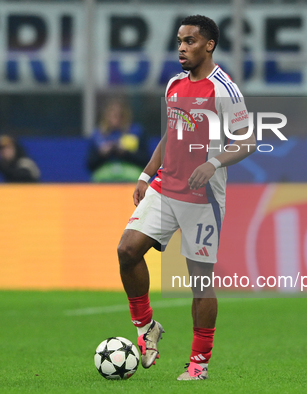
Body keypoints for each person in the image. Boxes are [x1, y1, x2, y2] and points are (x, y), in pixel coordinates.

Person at [116, 15, 256, 381]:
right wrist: (147, 174)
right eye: (179, 40)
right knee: (127, 250)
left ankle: (199, 362)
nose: (181, 47)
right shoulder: (175, 84)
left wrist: (214, 162)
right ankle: (146, 326)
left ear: (209, 45)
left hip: (202, 197)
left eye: (190, 41)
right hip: (166, 186)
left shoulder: (223, 89)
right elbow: (169, 135)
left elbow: (247, 141)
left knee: (200, 281)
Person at [87, 99, 148, 182]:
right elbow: (90, 164)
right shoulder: (98, 135)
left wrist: (126, 153)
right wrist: (101, 154)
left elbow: (145, 161)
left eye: (119, 115)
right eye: (112, 115)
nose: (115, 118)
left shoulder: (136, 132)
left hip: (131, 174)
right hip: (104, 175)